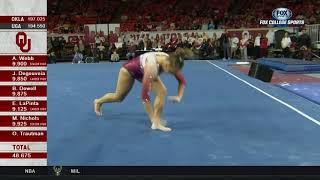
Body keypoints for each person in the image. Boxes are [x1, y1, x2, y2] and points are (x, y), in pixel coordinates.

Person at [93, 48, 193, 132]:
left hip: (144, 71)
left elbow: (181, 81)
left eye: (173, 71)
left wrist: (179, 96)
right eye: (169, 70)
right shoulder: (152, 66)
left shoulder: (173, 61)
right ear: (167, 63)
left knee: (162, 91)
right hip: (129, 71)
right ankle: (98, 101)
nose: (170, 73)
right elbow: (144, 96)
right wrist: (152, 118)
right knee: (118, 97)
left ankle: (157, 122)